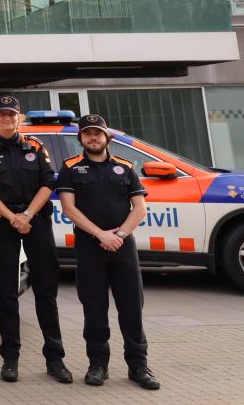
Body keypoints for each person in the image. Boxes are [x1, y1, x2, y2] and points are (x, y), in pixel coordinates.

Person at [56, 114, 160, 391]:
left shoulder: (126, 167)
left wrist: (120, 235)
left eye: (98, 134)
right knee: (95, 312)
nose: (93, 138)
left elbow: (139, 209)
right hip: (90, 249)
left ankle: (138, 367)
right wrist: (100, 234)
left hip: (123, 249)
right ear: (81, 139)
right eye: (88, 134)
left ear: (106, 138)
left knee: (132, 312)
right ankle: (97, 366)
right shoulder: (70, 168)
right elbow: (69, 209)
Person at [0, 95, 71, 383]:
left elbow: (48, 183)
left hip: (36, 223)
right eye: (2, 115)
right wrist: (12, 218)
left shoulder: (36, 147)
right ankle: (10, 359)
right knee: (6, 296)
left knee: (46, 294)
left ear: (19, 119)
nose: (7, 119)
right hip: (4, 225)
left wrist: (27, 215)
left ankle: (55, 359)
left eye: (12, 115)